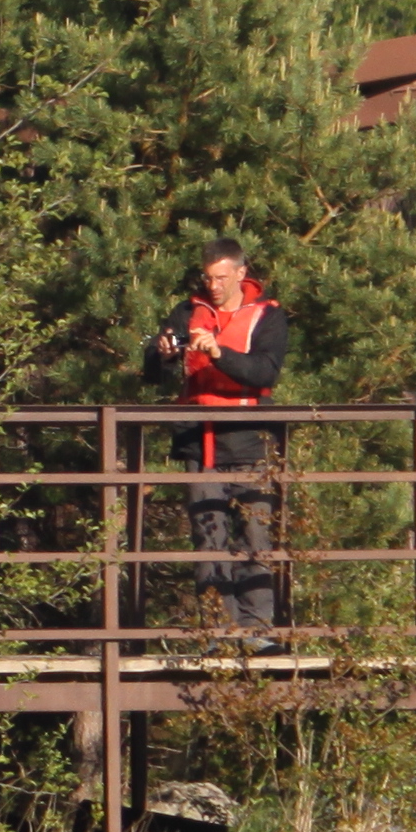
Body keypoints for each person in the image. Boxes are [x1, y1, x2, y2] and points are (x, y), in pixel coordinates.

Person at [143, 244, 292, 639]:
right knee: (209, 543)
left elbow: (265, 371)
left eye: (221, 277)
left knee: (256, 540)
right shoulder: (187, 311)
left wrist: (218, 352)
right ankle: (219, 634)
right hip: (200, 443)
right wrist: (162, 353)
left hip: (251, 442)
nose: (213, 285)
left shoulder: (270, 316)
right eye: (208, 277)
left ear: (242, 274)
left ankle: (258, 631)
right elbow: (152, 369)